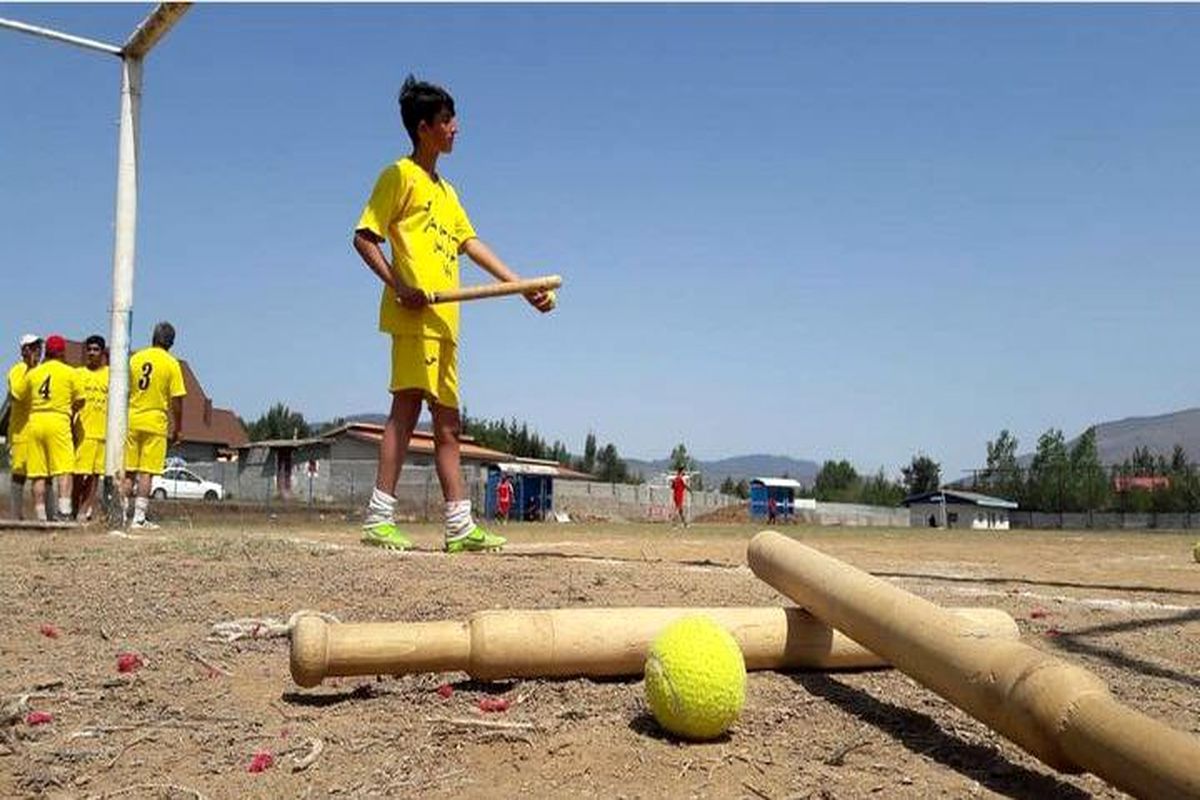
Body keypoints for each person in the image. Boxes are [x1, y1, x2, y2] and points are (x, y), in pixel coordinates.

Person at [352, 75, 554, 553]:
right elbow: (364, 236)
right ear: (425, 128)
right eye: (447, 120)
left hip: (446, 323)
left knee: (448, 424)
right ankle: (379, 517)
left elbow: (470, 243)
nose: (456, 128)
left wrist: (519, 286)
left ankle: (459, 526)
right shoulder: (398, 176)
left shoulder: (448, 192)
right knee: (405, 411)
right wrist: (400, 284)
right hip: (414, 317)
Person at [123, 322, 186, 530]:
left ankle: (121, 514)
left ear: (153, 337)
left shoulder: (135, 358)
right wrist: (178, 427)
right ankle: (139, 518)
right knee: (146, 472)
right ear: (171, 343)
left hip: (132, 418)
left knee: (129, 470)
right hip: (155, 420)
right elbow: (177, 400)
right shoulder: (171, 364)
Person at [18, 335, 80, 521]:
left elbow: (21, 394)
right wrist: (70, 409)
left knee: (38, 473)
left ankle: (41, 516)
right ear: (62, 352)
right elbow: (81, 399)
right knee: (64, 469)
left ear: (47, 351)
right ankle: (64, 511)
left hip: (36, 420)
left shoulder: (34, 373)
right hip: (58, 419)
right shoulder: (70, 372)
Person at [72, 335, 109, 523]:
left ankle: (86, 509)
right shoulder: (78, 374)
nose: (92, 353)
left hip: (102, 433)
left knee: (95, 475)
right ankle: (73, 507)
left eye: (96, 349)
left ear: (102, 352)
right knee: (78, 474)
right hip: (83, 433)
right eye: (89, 349)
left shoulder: (111, 375)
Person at [6, 334, 42, 519]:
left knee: (44, 475)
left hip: (39, 430)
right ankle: (15, 516)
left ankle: (46, 516)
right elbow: (18, 393)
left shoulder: (43, 370)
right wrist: (29, 367)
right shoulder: (17, 370)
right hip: (21, 432)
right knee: (19, 475)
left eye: (38, 346)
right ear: (24, 350)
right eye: (33, 347)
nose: (37, 350)